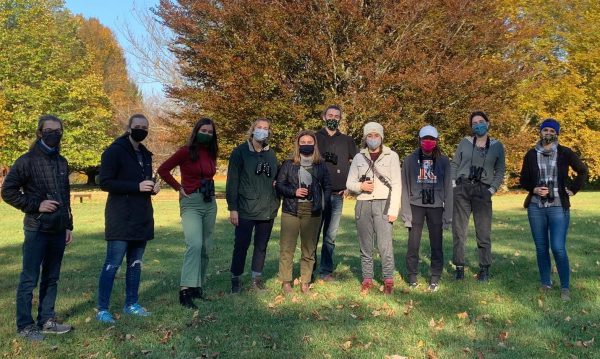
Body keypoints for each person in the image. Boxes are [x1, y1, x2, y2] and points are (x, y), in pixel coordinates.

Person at [1, 115, 73, 341]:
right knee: (29, 278)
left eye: (58, 130)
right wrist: (36, 205)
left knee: (52, 278)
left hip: (58, 229)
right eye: (49, 130)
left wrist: (68, 224)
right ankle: (25, 326)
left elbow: (65, 196)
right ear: (40, 132)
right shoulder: (26, 161)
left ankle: (47, 320)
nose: (54, 134)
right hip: (37, 228)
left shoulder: (62, 161)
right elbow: (8, 191)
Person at [96, 114, 160, 322]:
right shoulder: (114, 151)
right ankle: (102, 309)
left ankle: (131, 304)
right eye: (138, 126)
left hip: (142, 215)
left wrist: (152, 187)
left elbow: (143, 182)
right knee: (113, 264)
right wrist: (136, 186)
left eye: (145, 127)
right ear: (129, 127)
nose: (141, 129)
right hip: (120, 216)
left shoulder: (145, 154)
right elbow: (105, 182)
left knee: (135, 264)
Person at [520, 118, 587, 301]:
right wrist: (534, 189)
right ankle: (546, 282)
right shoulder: (531, 154)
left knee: (558, 247)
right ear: (540, 132)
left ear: (556, 133)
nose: (548, 133)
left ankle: (565, 287)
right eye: (545, 130)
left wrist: (573, 189)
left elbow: (582, 170)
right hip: (536, 207)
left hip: (558, 206)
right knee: (541, 248)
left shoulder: (565, 153)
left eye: (551, 130)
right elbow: (523, 180)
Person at [158, 118, 218, 308]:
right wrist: (178, 187)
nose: (207, 134)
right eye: (204, 130)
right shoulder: (185, 151)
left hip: (209, 202)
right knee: (194, 244)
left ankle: (196, 287)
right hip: (191, 201)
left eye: (210, 132)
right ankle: (185, 290)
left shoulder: (211, 153)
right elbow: (163, 170)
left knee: (206, 246)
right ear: (196, 131)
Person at [226, 118, 280, 294]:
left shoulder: (271, 154)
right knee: (241, 244)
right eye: (259, 127)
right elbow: (232, 182)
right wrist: (233, 208)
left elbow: (277, 177)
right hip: (245, 208)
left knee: (261, 246)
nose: (262, 131)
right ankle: (236, 279)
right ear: (252, 130)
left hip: (267, 208)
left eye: (266, 128)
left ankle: (257, 279)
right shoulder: (240, 152)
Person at [346, 122, 401, 295]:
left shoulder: (391, 156)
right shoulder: (358, 158)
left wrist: (393, 210)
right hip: (363, 204)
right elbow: (349, 183)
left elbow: (397, 185)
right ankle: (367, 279)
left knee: (385, 245)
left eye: (376, 135)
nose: (373, 139)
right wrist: (361, 186)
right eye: (369, 136)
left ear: (381, 137)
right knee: (365, 245)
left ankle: (388, 279)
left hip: (384, 203)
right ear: (365, 138)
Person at [451, 111, 505, 282]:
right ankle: (459, 267)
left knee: (483, 231)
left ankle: (484, 268)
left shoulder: (497, 146)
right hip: (463, 189)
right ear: (471, 126)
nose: (478, 125)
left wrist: (492, 189)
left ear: (488, 124)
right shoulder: (465, 143)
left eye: (481, 122)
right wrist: (454, 184)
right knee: (459, 230)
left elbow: (500, 170)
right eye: (474, 123)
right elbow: (455, 163)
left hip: (483, 190)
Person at [276, 130, 331, 294]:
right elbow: (280, 185)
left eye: (309, 142)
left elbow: (327, 187)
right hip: (291, 210)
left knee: (309, 248)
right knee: (287, 247)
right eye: (303, 142)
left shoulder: (321, 165)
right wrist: (294, 191)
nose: (306, 145)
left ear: (314, 144)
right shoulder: (289, 163)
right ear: (298, 144)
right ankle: (286, 281)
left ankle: (305, 282)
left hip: (312, 212)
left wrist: (321, 203)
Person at [400, 125, 452, 292]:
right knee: (413, 243)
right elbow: (404, 188)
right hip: (416, 205)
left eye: (431, 139)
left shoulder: (444, 162)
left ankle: (435, 277)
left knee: (436, 243)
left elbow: (448, 190)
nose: (428, 142)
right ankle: (412, 276)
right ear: (419, 140)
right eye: (425, 139)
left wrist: (448, 215)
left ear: (436, 141)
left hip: (436, 206)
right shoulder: (409, 160)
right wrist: (406, 214)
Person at [314, 105, 358, 281]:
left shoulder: (347, 140)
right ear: (324, 117)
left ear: (340, 119)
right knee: (313, 234)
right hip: (317, 193)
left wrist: (350, 186)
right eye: (330, 115)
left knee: (330, 236)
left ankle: (326, 271)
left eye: (337, 116)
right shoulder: (315, 138)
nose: (333, 118)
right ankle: (309, 270)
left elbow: (357, 163)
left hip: (338, 194)